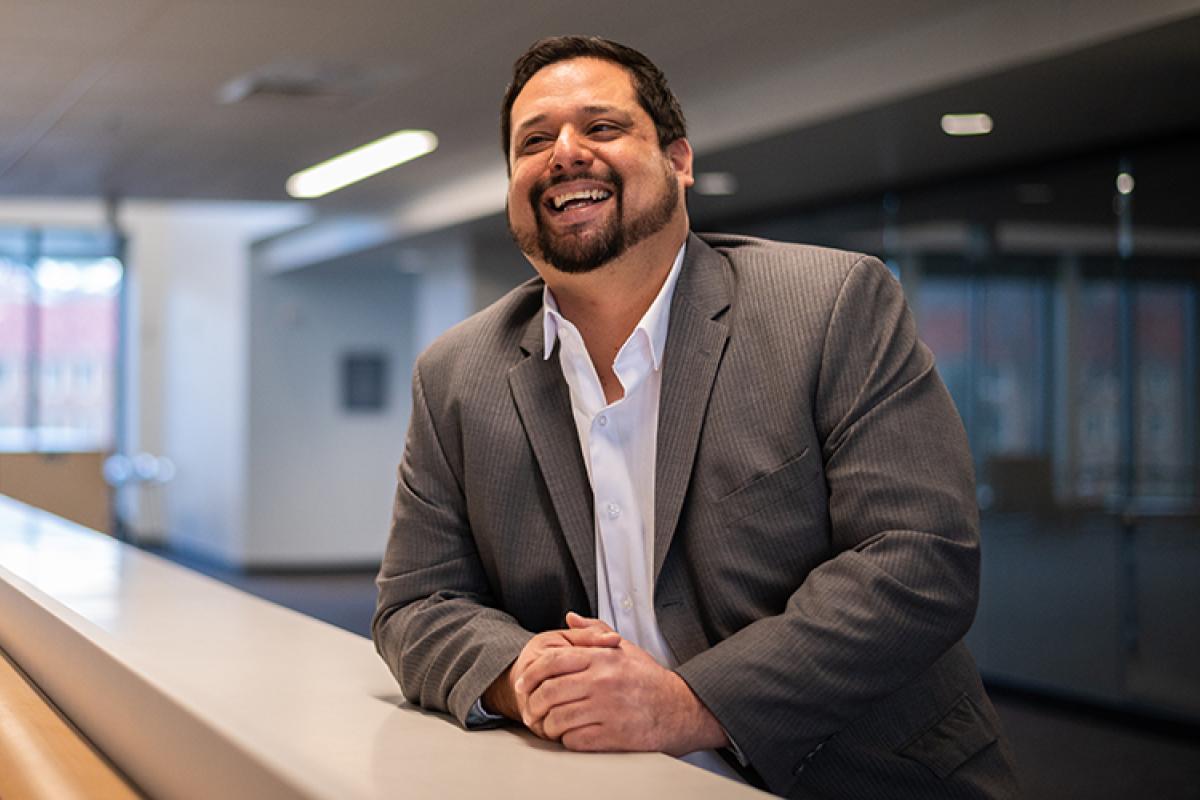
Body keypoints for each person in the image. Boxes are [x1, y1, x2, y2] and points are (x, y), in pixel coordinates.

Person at [373, 35, 1019, 798]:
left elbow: (920, 557)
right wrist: (524, 674)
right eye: (534, 140)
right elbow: (418, 600)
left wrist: (687, 703)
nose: (565, 153)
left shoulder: (831, 304)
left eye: (603, 127)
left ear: (679, 161)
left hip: (857, 774)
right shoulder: (456, 374)